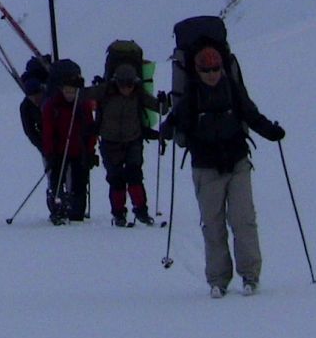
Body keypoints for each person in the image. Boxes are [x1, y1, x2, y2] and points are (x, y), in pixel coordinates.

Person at [160, 40, 284, 296]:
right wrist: (166, 130)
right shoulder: (191, 95)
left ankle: (250, 276)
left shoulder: (232, 90)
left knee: (243, 220)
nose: (212, 74)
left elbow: (251, 115)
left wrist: (271, 131)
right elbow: (174, 121)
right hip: (206, 168)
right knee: (213, 224)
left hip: (237, 162)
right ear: (197, 71)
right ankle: (218, 280)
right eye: (206, 70)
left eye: (216, 69)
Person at [94, 54, 166, 227]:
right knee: (116, 178)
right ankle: (120, 213)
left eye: (130, 84)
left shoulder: (137, 94)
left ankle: (140, 211)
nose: (127, 88)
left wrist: (163, 102)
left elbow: (161, 109)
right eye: (123, 84)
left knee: (134, 175)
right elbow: (80, 98)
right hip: (112, 142)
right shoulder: (106, 91)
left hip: (131, 140)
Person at [39, 59, 99, 223]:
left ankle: (76, 211)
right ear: (61, 89)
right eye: (67, 91)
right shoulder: (52, 106)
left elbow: (90, 129)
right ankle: (57, 208)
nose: (70, 95)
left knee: (79, 181)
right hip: (58, 151)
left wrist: (90, 150)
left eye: (73, 91)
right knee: (57, 180)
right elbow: (48, 132)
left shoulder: (83, 105)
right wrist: (49, 153)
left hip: (79, 150)